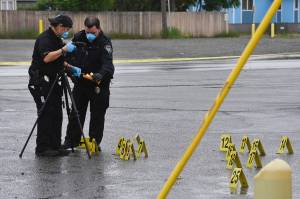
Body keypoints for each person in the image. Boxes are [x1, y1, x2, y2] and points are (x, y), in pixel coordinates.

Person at [28, 14, 81, 157]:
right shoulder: (45, 38)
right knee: (46, 114)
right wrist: (63, 50)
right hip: (41, 82)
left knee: (57, 114)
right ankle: (43, 148)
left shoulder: (57, 39)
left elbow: (58, 60)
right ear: (59, 26)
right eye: (66, 29)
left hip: (54, 81)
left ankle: (55, 145)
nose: (67, 32)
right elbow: (47, 58)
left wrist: (71, 68)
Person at [63, 16, 114, 150]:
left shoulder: (105, 42)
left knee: (97, 115)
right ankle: (71, 141)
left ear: (99, 29)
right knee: (76, 113)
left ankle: (94, 142)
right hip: (81, 82)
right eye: (88, 32)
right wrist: (70, 70)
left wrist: (101, 74)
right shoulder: (79, 37)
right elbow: (69, 55)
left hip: (98, 83)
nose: (90, 35)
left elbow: (108, 65)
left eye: (93, 33)